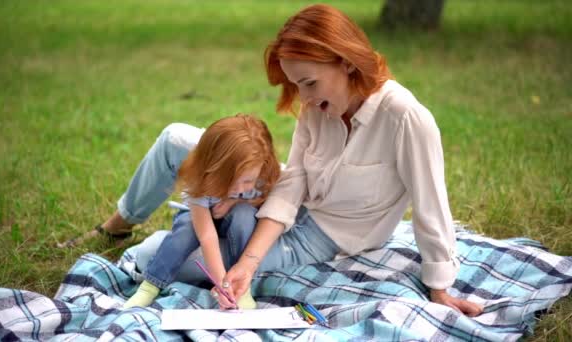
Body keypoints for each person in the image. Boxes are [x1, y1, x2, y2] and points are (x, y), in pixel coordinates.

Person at [217, 4, 484, 316]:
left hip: (324, 239)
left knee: (191, 262)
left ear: (345, 62)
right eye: (297, 85)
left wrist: (439, 288)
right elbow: (293, 183)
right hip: (282, 214)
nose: (304, 99)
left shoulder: (404, 118)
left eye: (310, 83)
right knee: (189, 172)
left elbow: (431, 205)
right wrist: (250, 261)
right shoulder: (316, 109)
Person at [114, 114, 281, 309]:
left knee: (244, 217)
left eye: (247, 181)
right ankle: (151, 285)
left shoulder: (262, 173)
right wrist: (221, 282)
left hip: (232, 221)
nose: (239, 188)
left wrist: (231, 201)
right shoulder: (200, 178)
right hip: (199, 220)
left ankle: (242, 287)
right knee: (185, 230)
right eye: (229, 181)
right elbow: (207, 236)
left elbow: (262, 202)